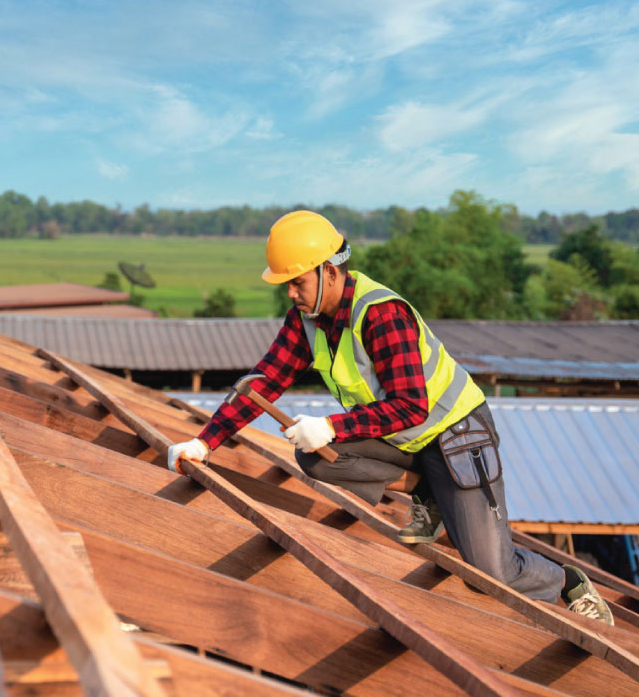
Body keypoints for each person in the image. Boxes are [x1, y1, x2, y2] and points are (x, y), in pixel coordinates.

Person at [167, 210, 614, 625]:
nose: (290, 292)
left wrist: (332, 425)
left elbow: (411, 407)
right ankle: (429, 496)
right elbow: (263, 381)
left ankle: (566, 580)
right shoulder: (306, 318)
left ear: (329, 271)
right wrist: (205, 442)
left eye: (296, 281)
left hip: (456, 435)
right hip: (405, 441)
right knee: (316, 457)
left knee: (489, 570)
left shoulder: (380, 313)